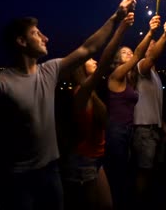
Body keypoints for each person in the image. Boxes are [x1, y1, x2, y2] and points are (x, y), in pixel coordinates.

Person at [0, 0, 137, 210]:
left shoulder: (49, 71)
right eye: (36, 33)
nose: (46, 38)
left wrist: (116, 17)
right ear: (21, 41)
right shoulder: (0, 82)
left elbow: (87, 49)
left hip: (51, 170)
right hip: (17, 175)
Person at [61, 12, 135, 210]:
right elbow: (105, 63)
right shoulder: (81, 92)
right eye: (89, 60)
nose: (94, 61)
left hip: (94, 158)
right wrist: (121, 28)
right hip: (82, 160)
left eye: (94, 59)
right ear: (79, 68)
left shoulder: (90, 92)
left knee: (106, 204)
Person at [104, 15, 160, 210]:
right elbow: (139, 55)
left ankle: (123, 201)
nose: (129, 54)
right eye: (125, 53)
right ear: (117, 59)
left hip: (127, 130)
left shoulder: (130, 80)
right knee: (117, 172)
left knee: (125, 170)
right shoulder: (116, 74)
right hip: (116, 130)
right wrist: (151, 32)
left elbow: (146, 60)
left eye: (129, 52)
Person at [132, 16, 166, 209]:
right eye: (151, 42)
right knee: (143, 171)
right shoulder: (141, 66)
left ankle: (150, 201)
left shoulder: (155, 75)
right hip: (143, 130)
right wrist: (165, 34)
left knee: (153, 171)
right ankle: (136, 204)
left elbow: (154, 104)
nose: (153, 43)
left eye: (155, 42)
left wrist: (162, 124)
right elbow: (151, 57)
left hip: (155, 128)